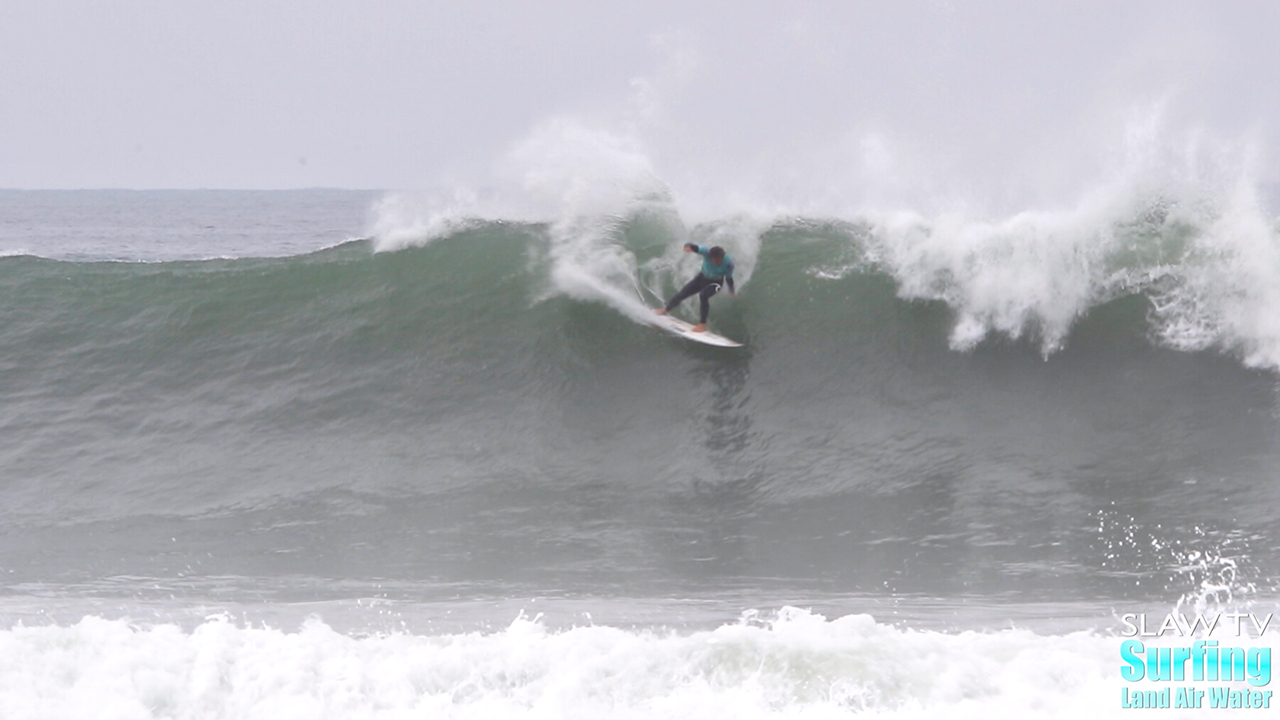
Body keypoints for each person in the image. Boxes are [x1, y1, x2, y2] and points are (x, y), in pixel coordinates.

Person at [654, 243, 735, 332]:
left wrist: (731, 290)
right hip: (701, 278)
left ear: (722, 257)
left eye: (718, 260)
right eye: (714, 259)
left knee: (703, 295)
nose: (716, 261)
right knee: (682, 293)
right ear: (710, 256)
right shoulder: (707, 252)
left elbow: (729, 278)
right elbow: (694, 247)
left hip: (716, 283)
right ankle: (666, 310)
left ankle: (702, 324)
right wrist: (688, 247)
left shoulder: (728, 264)